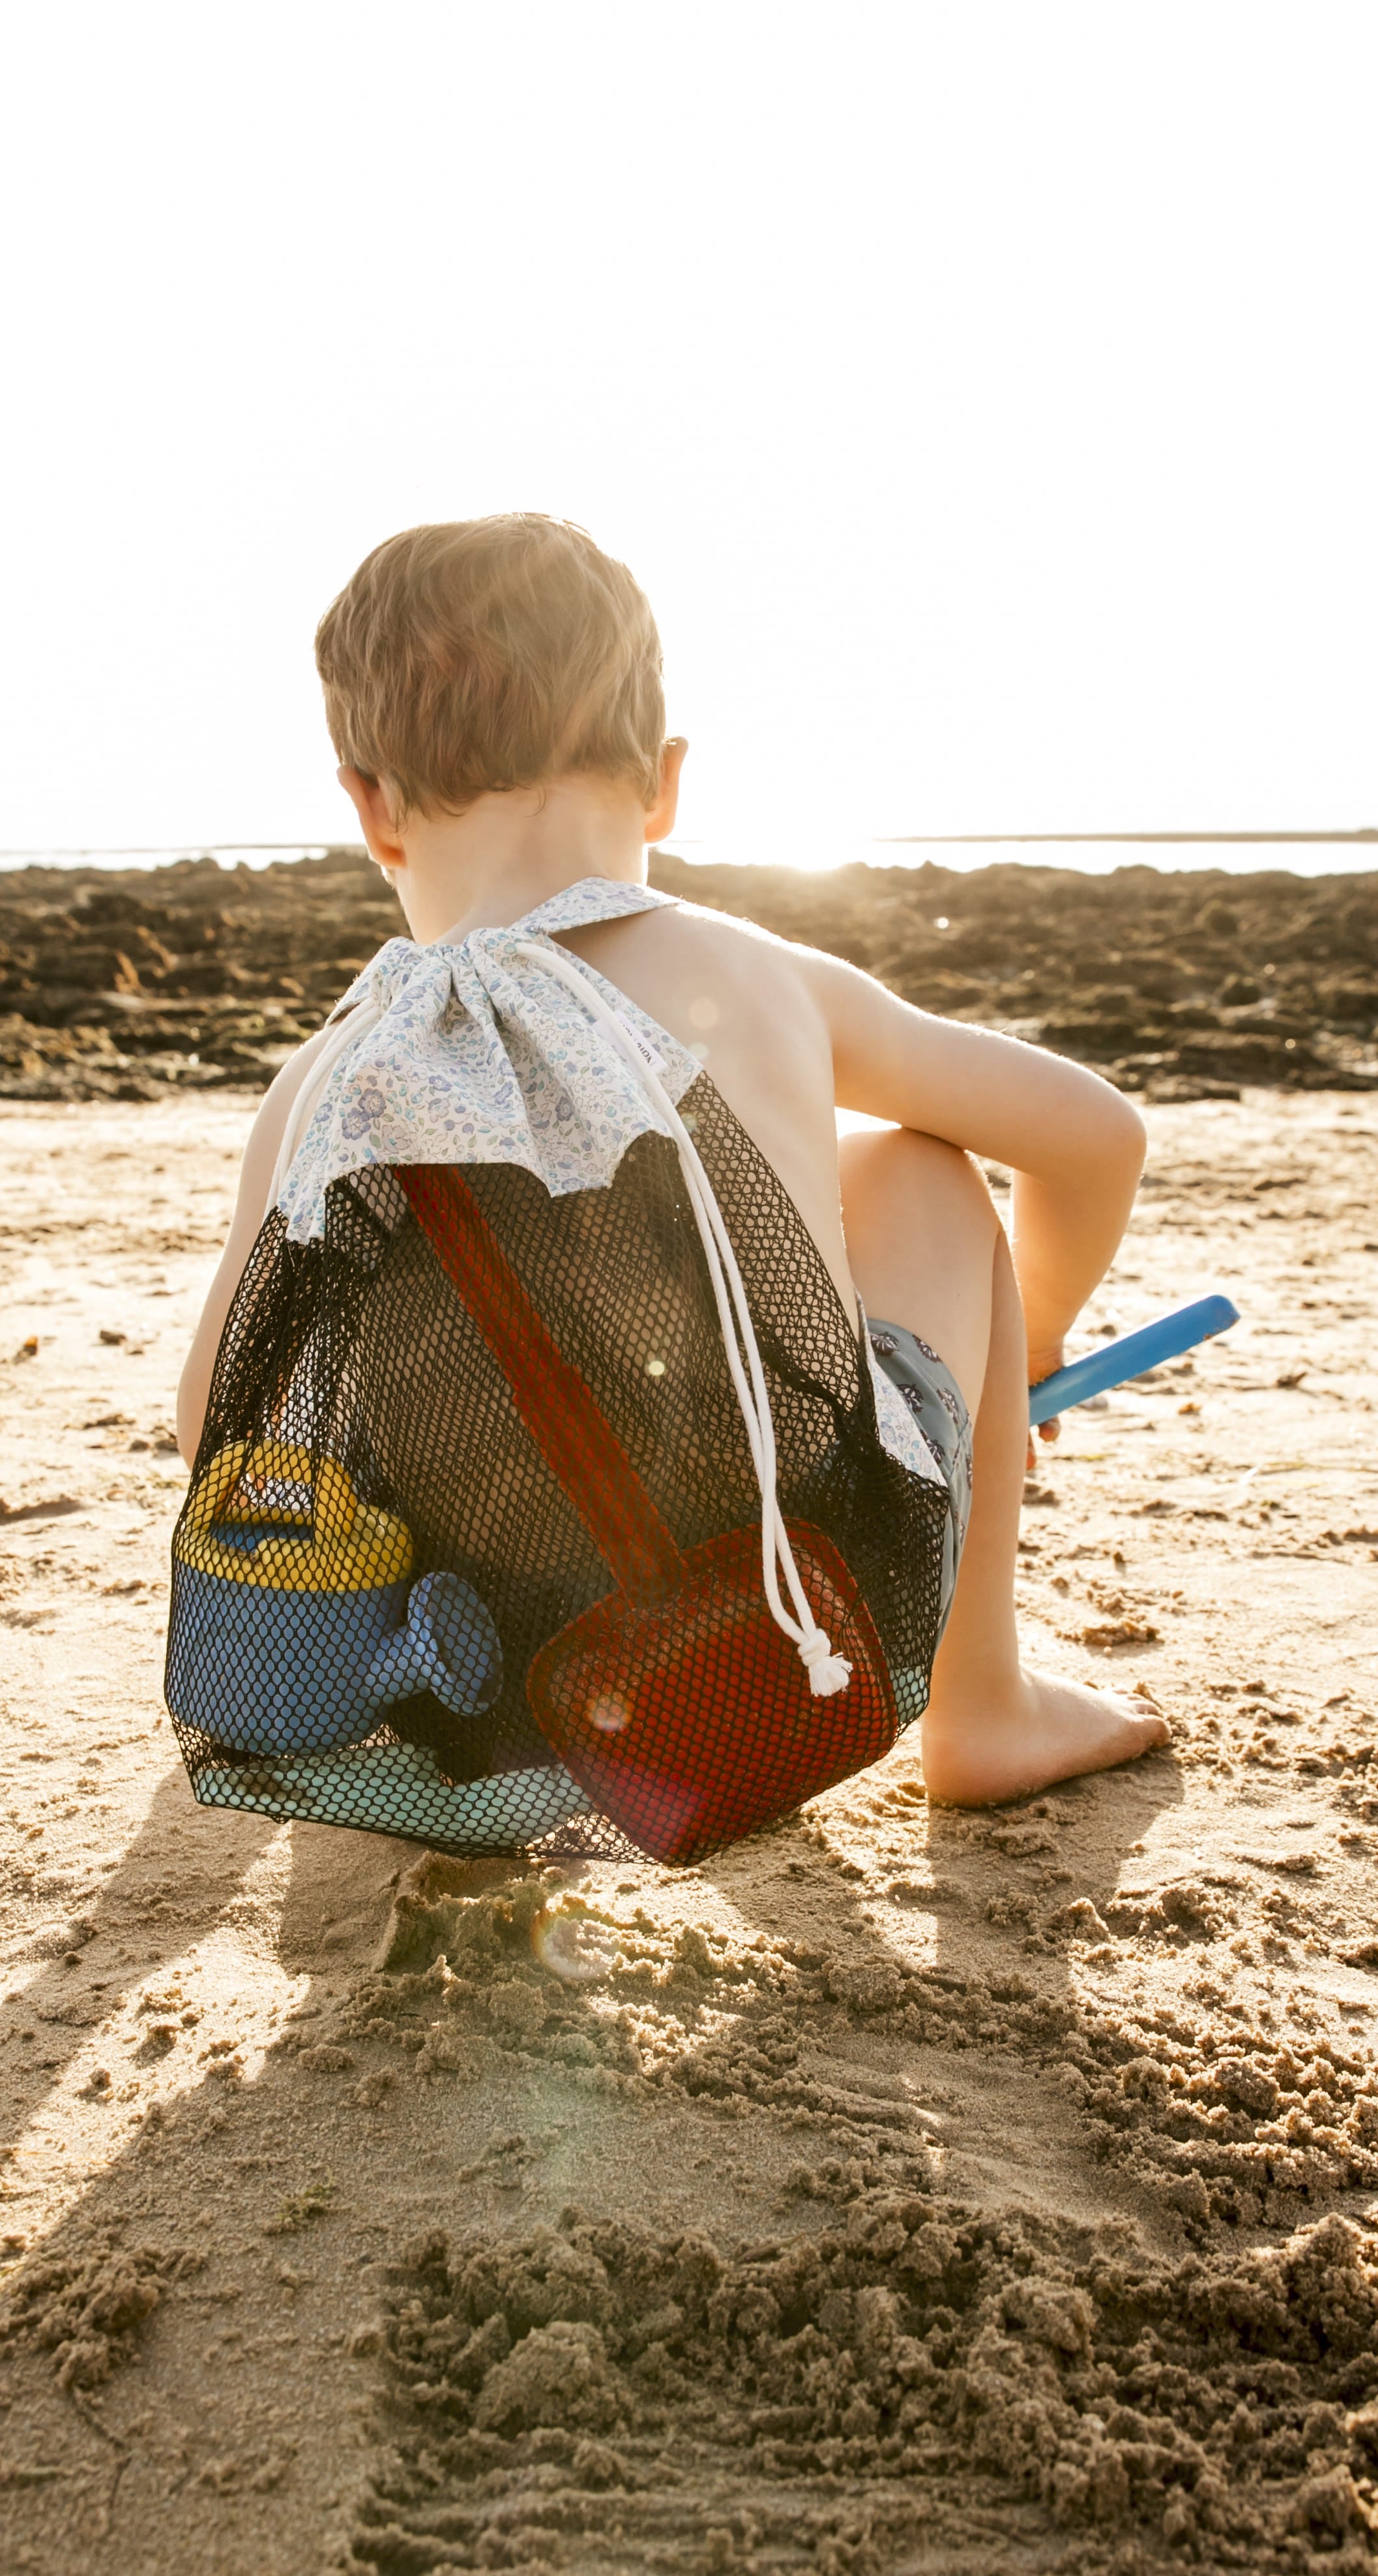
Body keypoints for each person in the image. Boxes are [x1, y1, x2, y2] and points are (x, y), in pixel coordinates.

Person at [178, 514, 1168, 1806]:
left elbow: (208, 1416)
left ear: (369, 809)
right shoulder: (752, 974)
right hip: (796, 1621)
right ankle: (985, 1708)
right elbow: (1096, 1136)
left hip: (477, 1700)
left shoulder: (328, 1073)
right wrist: (1029, 1341)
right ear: (665, 780)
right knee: (922, 1166)